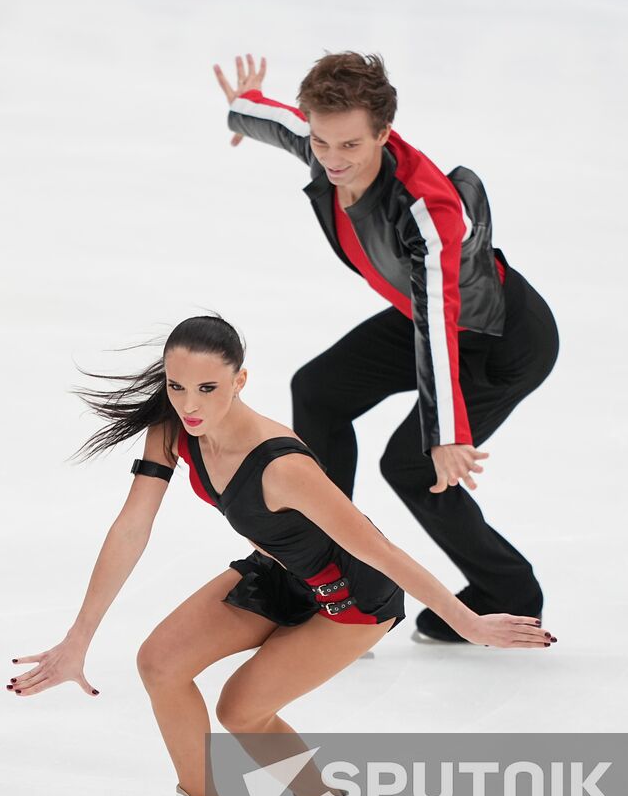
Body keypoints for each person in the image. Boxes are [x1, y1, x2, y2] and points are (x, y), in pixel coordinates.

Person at [7, 315, 556, 796]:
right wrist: (79, 638)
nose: (189, 404)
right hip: (283, 573)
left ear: (240, 380)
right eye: (176, 386)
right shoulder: (173, 428)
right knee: (161, 662)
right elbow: (131, 528)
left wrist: (466, 621)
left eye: (207, 388)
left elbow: (379, 551)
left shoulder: (282, 466)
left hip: (354, 599)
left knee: (240, 709)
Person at [214, 52, 561, 642]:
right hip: (431, 320)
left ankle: (510, 592)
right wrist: (240, 110)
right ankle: (326, 573)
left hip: (499, 339)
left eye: (350, 146)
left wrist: (444, 432)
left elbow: (436, 319)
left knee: (411, 464)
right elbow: (279, 124)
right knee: (318, 391)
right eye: (322, 143)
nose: (332, 159)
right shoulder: (327, 143)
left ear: (383, 132)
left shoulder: (426, 211)